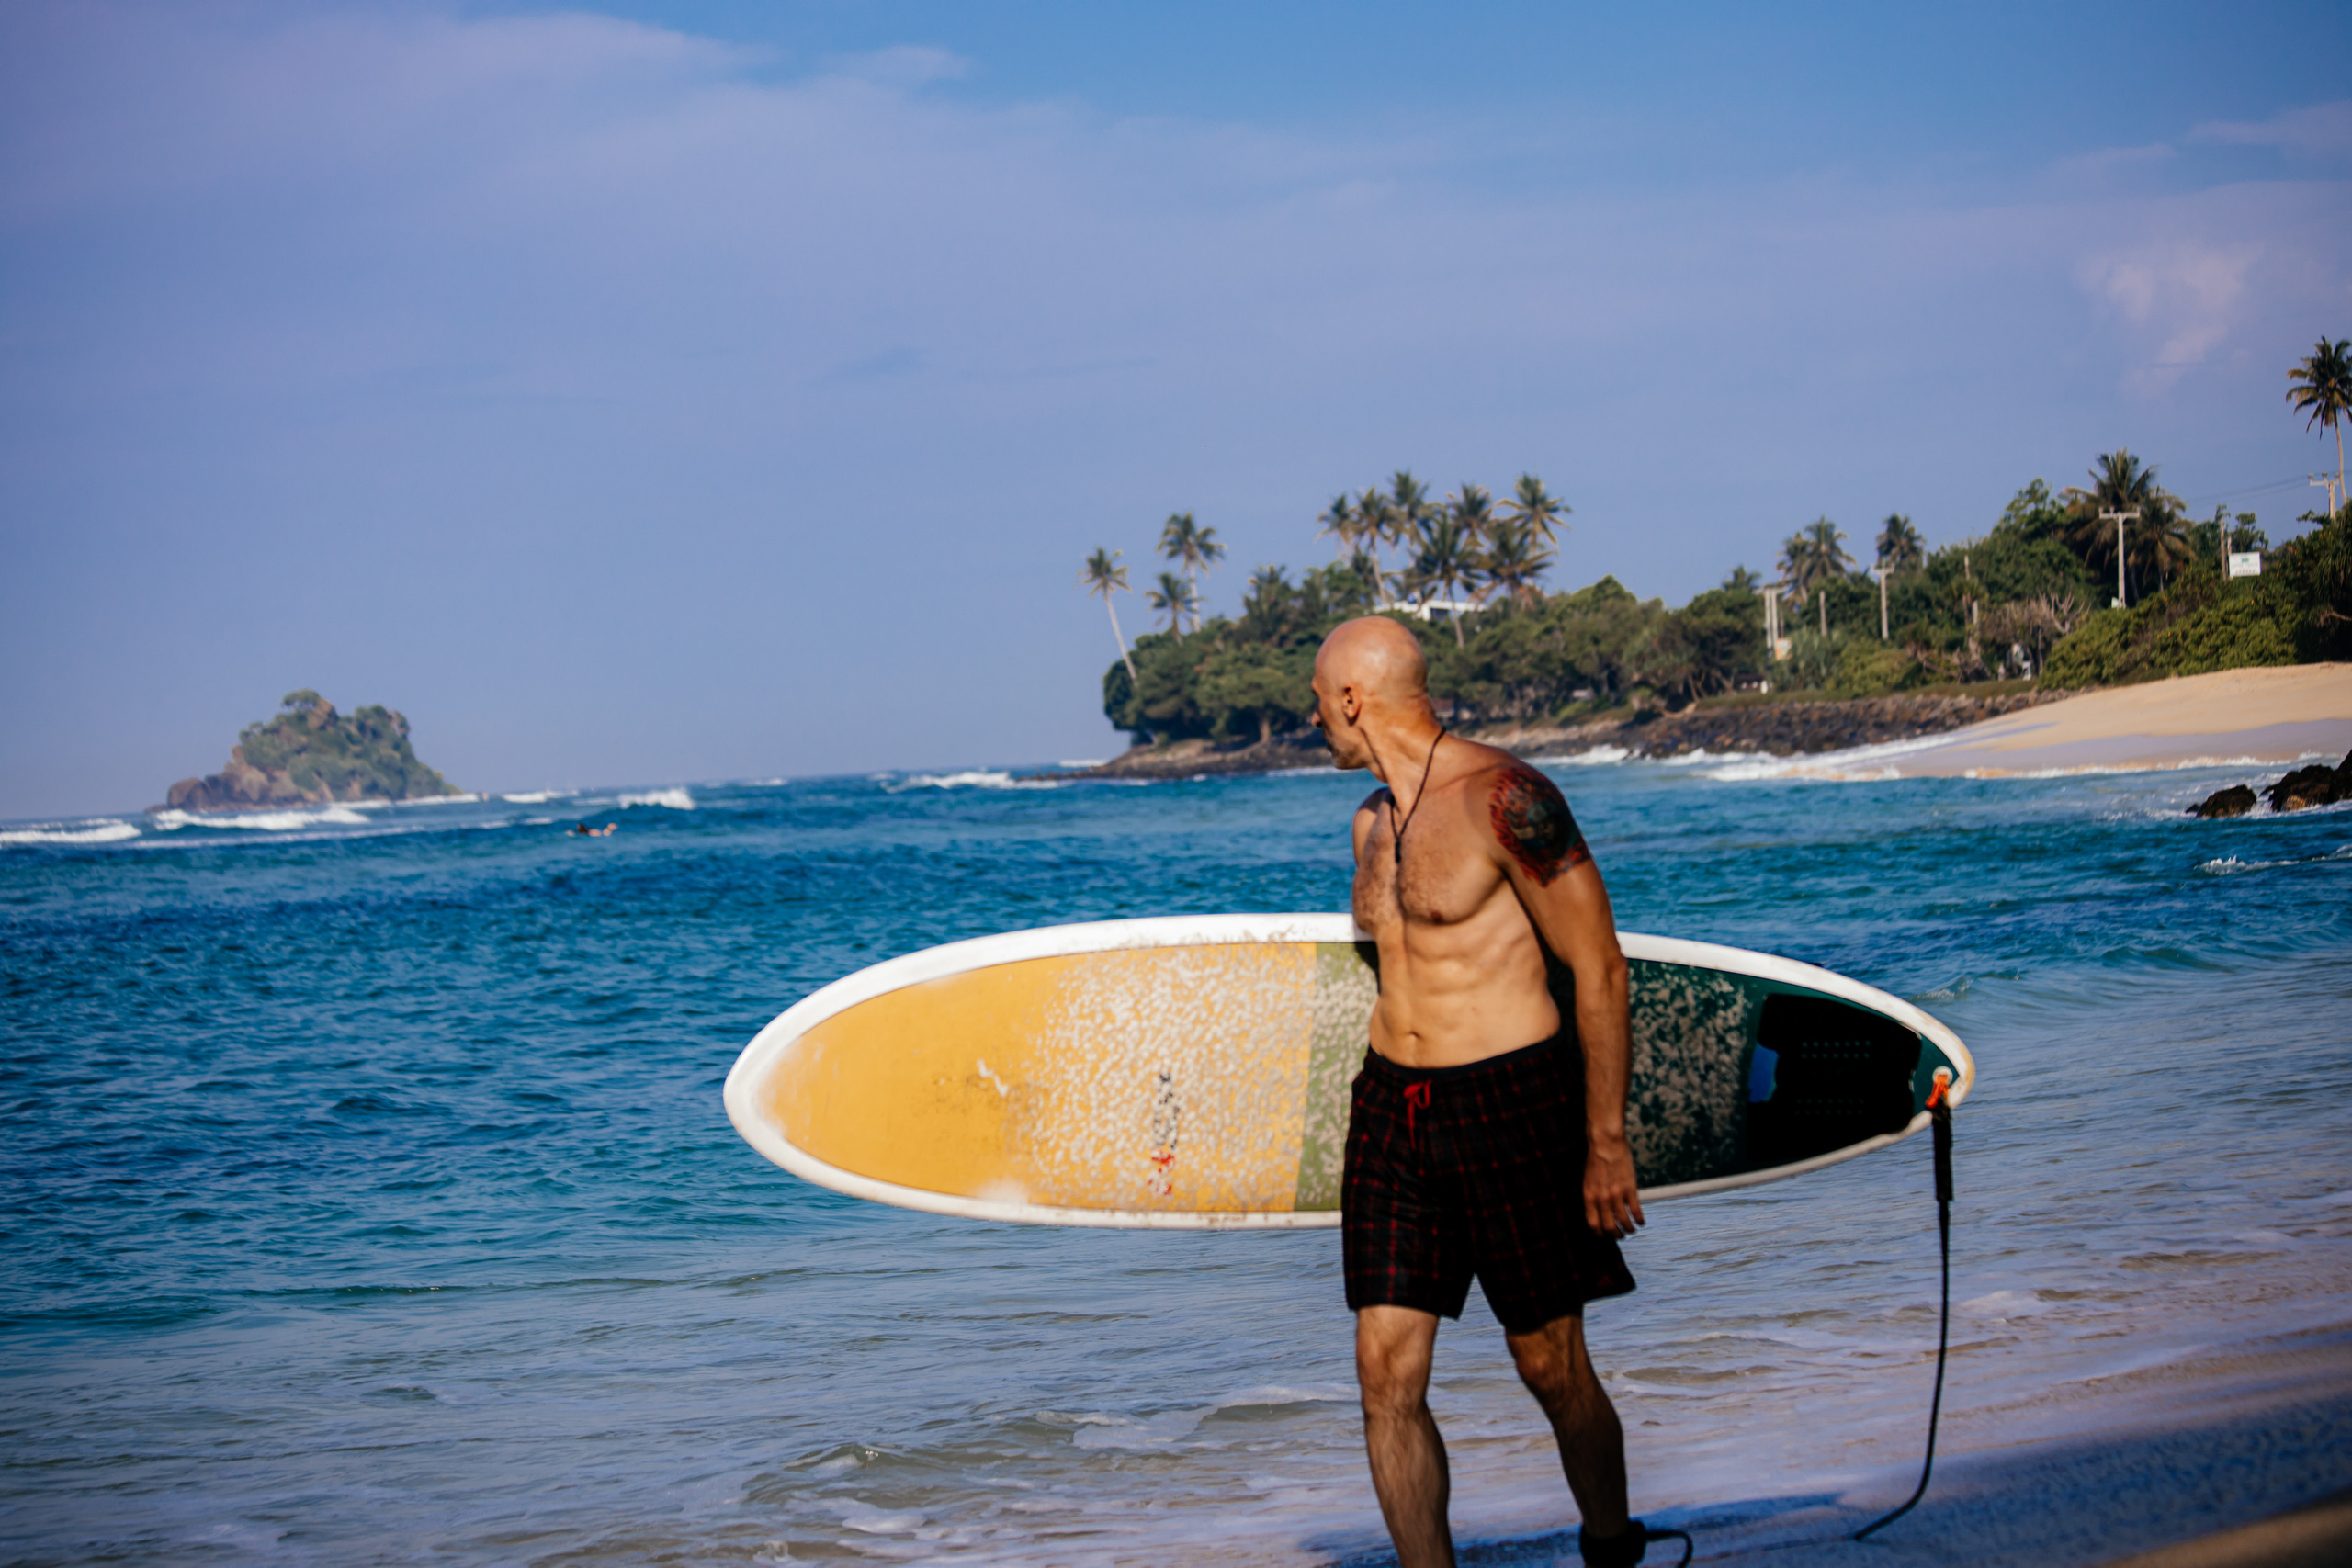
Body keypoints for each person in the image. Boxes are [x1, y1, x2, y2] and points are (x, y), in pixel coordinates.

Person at [1307, 615, 1651, 1568]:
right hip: (1391, 1109)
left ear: (1351, 700)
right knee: (1383, 1368)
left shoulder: (1508, 798)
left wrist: (1605, 1140)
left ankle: (1612, 1545)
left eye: (1315, 703)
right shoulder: (1370, 823)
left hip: (1509, 1101)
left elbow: (1599, 968)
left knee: (1546, 1361)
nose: (1314, 723)